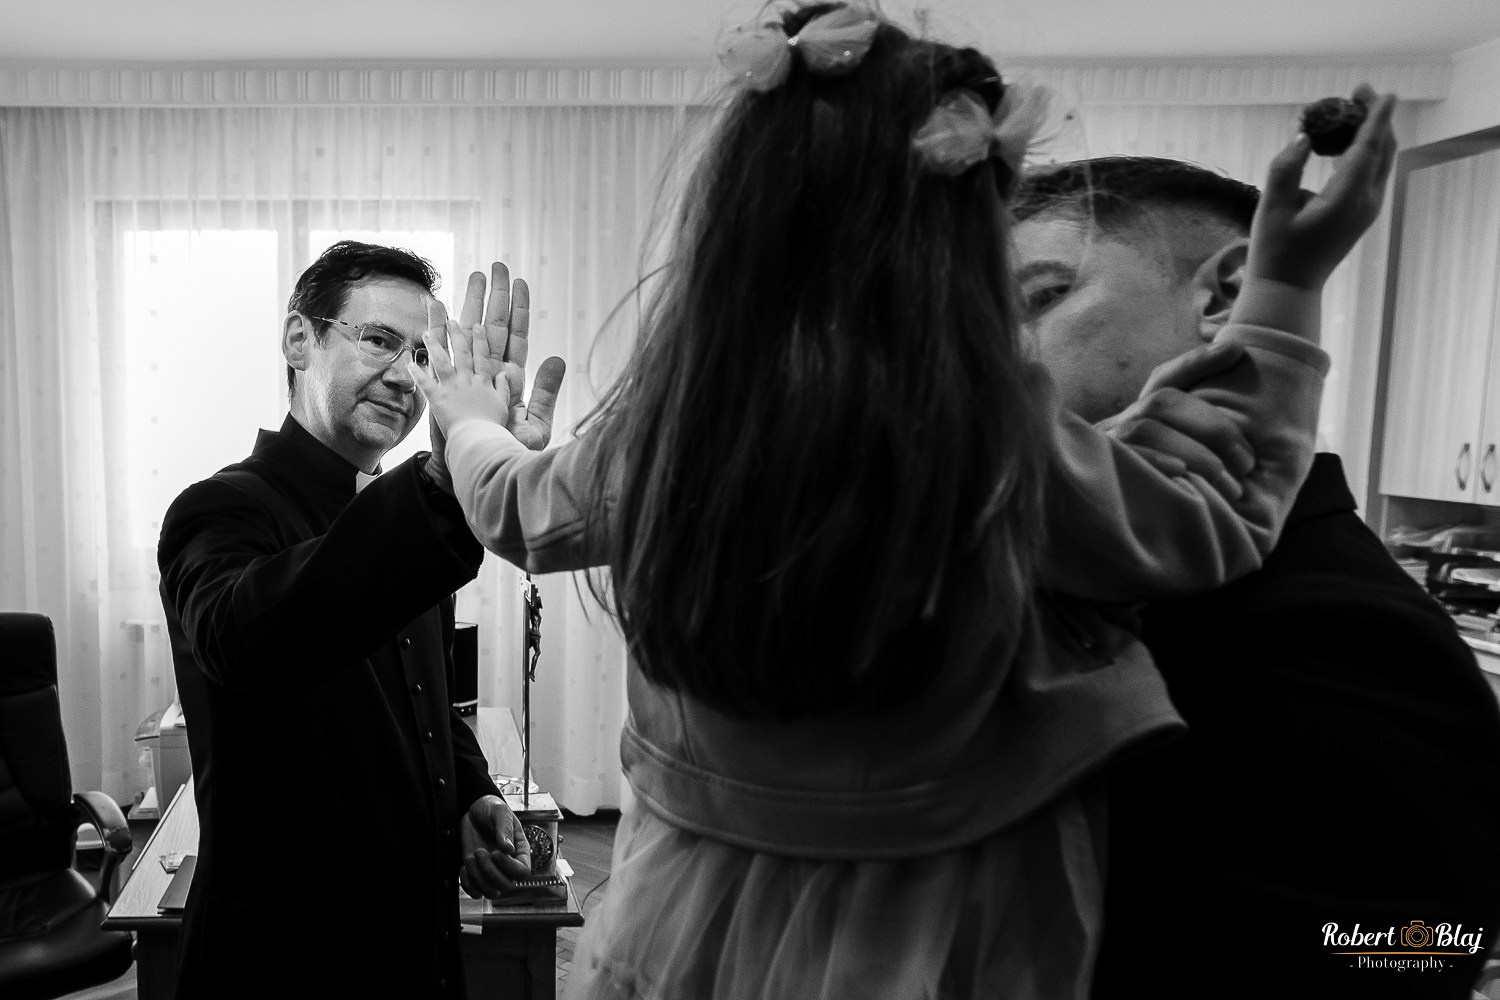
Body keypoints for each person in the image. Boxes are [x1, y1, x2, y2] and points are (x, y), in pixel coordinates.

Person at [414, 4, 1395, 996]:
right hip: (931, 928)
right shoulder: (991, 437)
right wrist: (1284, 293)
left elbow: (514, 507)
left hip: (680, 910)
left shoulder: (676, 425)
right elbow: (1204, 513)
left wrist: (465, 418)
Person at [1011, 156, 1500, 998]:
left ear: (1228, 296)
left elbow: (1407, 955)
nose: (990, 357)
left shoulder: (1338, 632)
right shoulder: (1046, 564)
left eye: (1040, 298)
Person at [156, 242, 563, 999]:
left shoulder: (415, 521)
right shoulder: (219, 510)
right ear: (299, 339)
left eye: (422, 356)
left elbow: (425, 703)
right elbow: (248, 640)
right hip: (282, 961)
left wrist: (471, 793)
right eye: (379, 340)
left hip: (418, 943)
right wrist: (443, 484)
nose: (407, 377)